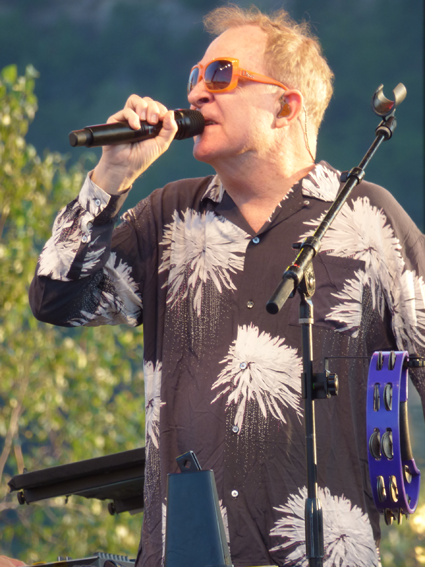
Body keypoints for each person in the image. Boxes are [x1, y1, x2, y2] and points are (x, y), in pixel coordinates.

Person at [20, 4, 425, 567]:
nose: (196, 93)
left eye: (221, 75)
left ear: (286, 107)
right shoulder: (169, 215)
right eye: (195, 76)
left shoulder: (370, 221)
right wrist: (112, 175)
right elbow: (56, 299)